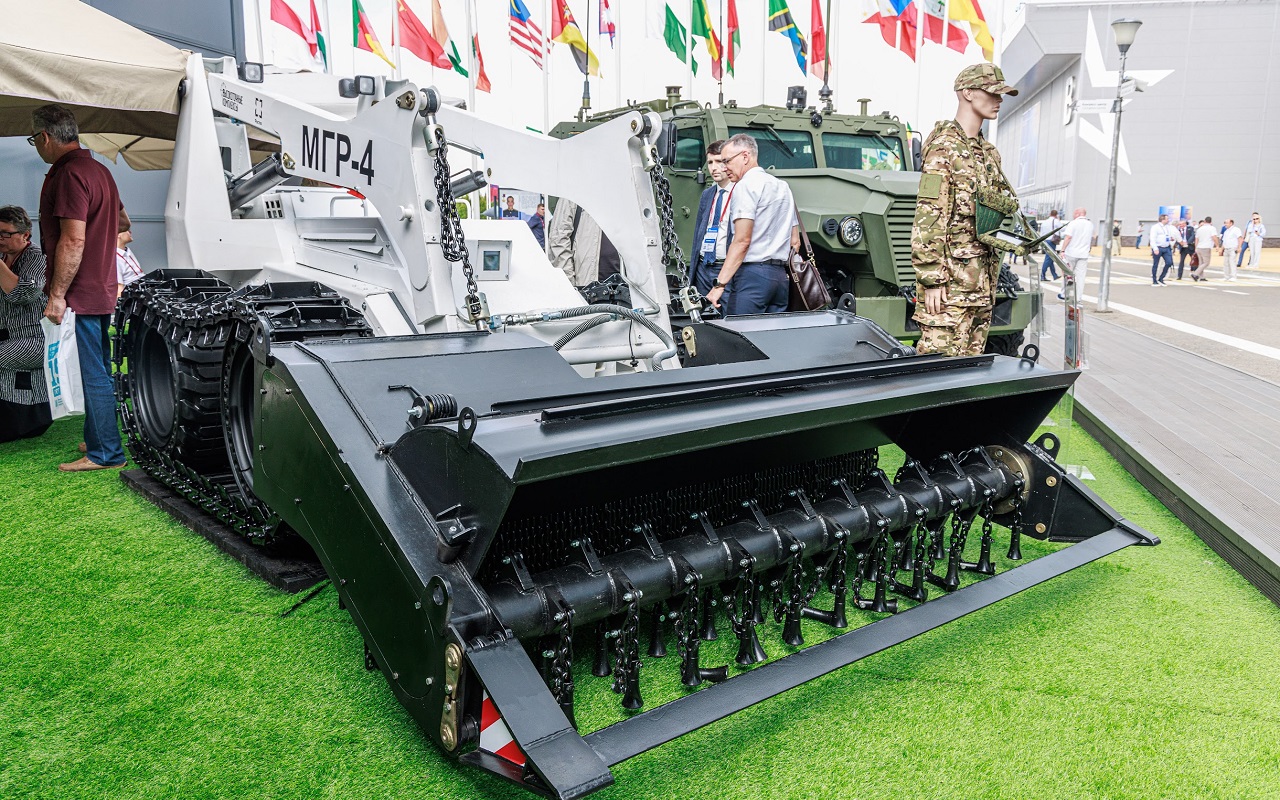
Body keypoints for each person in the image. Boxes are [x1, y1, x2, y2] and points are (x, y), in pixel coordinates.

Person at [32, 103, 129, 471]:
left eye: (34, 139)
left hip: (80, 292)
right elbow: (123, 221)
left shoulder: (70, 174)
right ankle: (100, 437)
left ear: (45, 137)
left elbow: (72, 240)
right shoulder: (100, 170)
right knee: (99, 367)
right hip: (100, 286)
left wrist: (57, 295)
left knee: (92, 373)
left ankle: (106, 453)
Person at [911, 63, 1019, 356]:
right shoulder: (944, 148)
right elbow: (929, 217)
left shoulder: (989, 154)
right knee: (936, 370)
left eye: (1001, 94)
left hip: (981, 285)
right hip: (949, 289)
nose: (999, 100)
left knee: (971, 371)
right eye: (992, 93)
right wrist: (932, 279)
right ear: (967, 92)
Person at [706, 133, 799, 315]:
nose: (724, 168)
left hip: (752, 277)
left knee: (739, 331)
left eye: (727, 161)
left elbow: (742, 241)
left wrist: (719, 285)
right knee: (772, 332)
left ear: (745, 156)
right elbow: (795, 241)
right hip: (780, 279)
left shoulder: (745, 186)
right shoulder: (782, 186)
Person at [0, 206, 52, 444]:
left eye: (5, 233)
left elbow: (24, 294)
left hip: (37, 339)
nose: (0, 238)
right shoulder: (4, 259)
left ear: (25, 235)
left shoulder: (38, 258)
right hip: (9, 337)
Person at [547, 198, 621, 286]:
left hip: (626, 285)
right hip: (587, 283)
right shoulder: (574, 194)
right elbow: (558, 240)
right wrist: (569, 285)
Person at [690, 140, 731, 296]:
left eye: (719, 162)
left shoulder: (740, 192)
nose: (713, 168)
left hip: (725, 268)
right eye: (710, 162)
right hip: (703, 266)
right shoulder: (707, 194)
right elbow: (698, 233)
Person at [1056, 207, 1093, 302]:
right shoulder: (1090, 224)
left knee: (1067, 273)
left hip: (1071, 253)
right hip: (1084, 254)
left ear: (1077, 213)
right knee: (1081, 277)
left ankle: (1064, 294)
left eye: (1074, 213)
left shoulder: (1073, 223)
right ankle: (1078, 297)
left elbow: (1068, 237)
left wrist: (1062, 250)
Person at [1149, 213, 1179, 285]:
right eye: (1167, 219)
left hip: (1166, 247)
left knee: (1169, 262)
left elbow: (1166, 236)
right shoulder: (1155, 227)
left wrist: (1170, 239)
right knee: (1156, 264)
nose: (1168, 220)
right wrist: (1155, 248)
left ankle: (1161, 278)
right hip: (1158, 247)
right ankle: (1154, 280)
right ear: (1162, 219)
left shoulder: (1167, 227)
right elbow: (1152, 238)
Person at [116, 229, 144, 295]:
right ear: (118, 234)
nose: (130, 232)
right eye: (127, 230)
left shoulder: (127, 251)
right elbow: (119, 288)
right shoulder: (115, 258)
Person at [1191, 216, 1219, 282]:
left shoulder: (1200, 229)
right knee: (1206, 263)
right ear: (1211, 222)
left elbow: (1196, 239)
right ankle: (1195, 274)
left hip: (1199, 247)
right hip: (1206, 247)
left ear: (1205, 221)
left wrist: (1196, 247)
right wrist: (1217, 245)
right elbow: (1214, 237)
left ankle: (1201, 277)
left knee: (1201, 263)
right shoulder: (1212, 228)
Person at [1039, 209, 1064, 281]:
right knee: (1048, 258)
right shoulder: (1056, 221)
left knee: (1051, 257)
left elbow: (1041, 233)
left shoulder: (1045, 222)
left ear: (1050, 214)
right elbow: (1063, 229)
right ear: (1056, 215)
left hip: (1045, 240)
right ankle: (1042, 275)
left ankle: (1054, 275)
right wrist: (1058, 220)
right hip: (1052, 241)